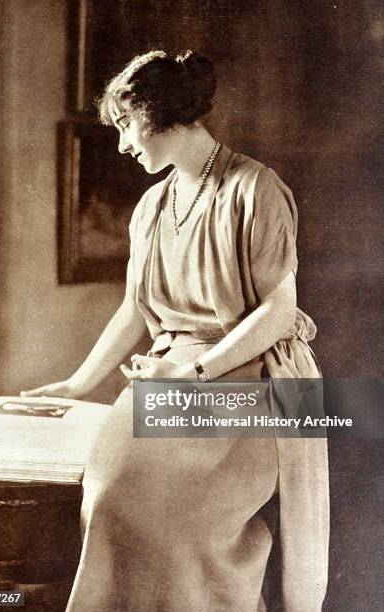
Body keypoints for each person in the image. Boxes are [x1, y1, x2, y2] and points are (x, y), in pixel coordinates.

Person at [22, 50, 329, 611]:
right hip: (171, 379)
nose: (121, 144)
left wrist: (194, 372)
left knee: (180, 521)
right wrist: (77, 384)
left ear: (157, 111)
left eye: (124, 125)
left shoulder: (255, 189)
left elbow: (278, 314)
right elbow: (135, 310)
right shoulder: (150, 207)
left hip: (251, 381)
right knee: (112, 502)